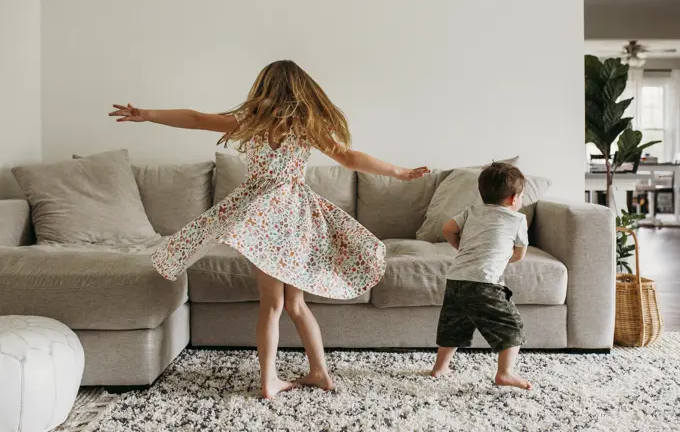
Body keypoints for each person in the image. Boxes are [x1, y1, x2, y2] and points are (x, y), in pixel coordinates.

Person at [109, 60, 429, 398]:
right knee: (296, 304)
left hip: (262, 219)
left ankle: (271, 380)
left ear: (263, 88)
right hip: (294, 218)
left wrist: (147, 114)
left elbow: (196, 118)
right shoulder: (305, 127)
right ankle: (319, 372)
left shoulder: (249, 123)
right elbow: (350, 158)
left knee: (272, 305)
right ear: (302, 91)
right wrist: (398, 172)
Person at [430, 162, 532, 390]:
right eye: (522, 196)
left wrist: (461, 247)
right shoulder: (517, 220)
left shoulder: (471, 211)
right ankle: (505, 373)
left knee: (453, 325)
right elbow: (520, 253)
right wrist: (503, 258)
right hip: (484, 282)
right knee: (511, 326)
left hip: (456, 278)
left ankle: (440, 368)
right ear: (514, 198)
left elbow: (447, 228)